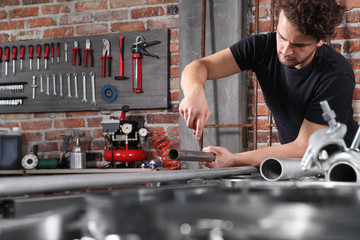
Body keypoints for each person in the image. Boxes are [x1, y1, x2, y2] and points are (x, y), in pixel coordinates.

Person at [179, 0, 358, 168]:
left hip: (343, 165)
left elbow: (305, 147)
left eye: (298, 45)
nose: (285, 50)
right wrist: (194, 93)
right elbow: (199, 67)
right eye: (281, 37)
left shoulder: (336, 75)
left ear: (320, 41)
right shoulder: (263, 47)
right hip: (298, 165)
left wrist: (235, 159)